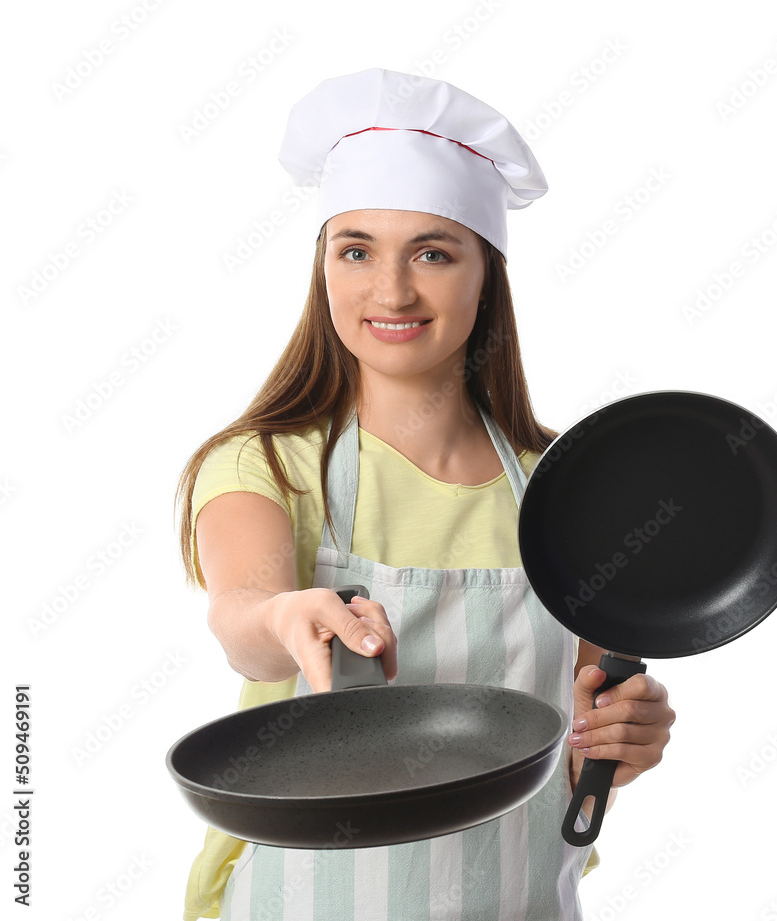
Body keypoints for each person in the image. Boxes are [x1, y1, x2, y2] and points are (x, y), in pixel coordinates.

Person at [175, 68, 675, 921]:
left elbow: (586, 732)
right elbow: (245, 622)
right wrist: (284, 619)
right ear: (323, 266)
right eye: (356, 250)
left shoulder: (566, 486)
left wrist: (622, 737)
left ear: (488, 274)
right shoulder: (266, 463)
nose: (391, 291)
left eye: (434, 253)